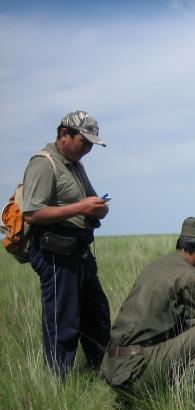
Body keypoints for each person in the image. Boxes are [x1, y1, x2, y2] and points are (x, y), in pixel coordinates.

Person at [101, 217, 195, 398]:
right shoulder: (191, 277)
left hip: (112, 366)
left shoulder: (158, 265)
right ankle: (187, 399)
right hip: (136, 371)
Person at [22, 111, 111, 376]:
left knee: (97, 314)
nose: (87, 149)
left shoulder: (76, 166)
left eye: (90, 145)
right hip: (56, 252)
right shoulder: (44, 163)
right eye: (83, 142)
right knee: (64, 321)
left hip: (79, 253)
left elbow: (93, 201)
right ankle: (57, 385)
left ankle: (103, 372)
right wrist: (80, 207)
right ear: (64, 134)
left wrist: (97, 209)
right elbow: (32, 213)